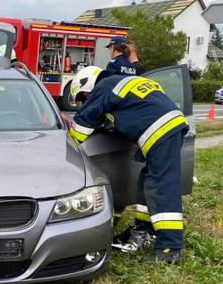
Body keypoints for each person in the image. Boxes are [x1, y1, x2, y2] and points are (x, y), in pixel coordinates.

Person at [69, 66, 188, 264]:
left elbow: (83, 124)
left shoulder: (103, 86)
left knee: (161, 186)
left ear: (87, 85)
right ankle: (144, 230)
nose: (84, 102)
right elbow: (135, 110)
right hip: (171, 125)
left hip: (160, 130)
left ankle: (170, 248)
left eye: (83, 98)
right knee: (147, 180)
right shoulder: (124, 82)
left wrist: (68, 141)